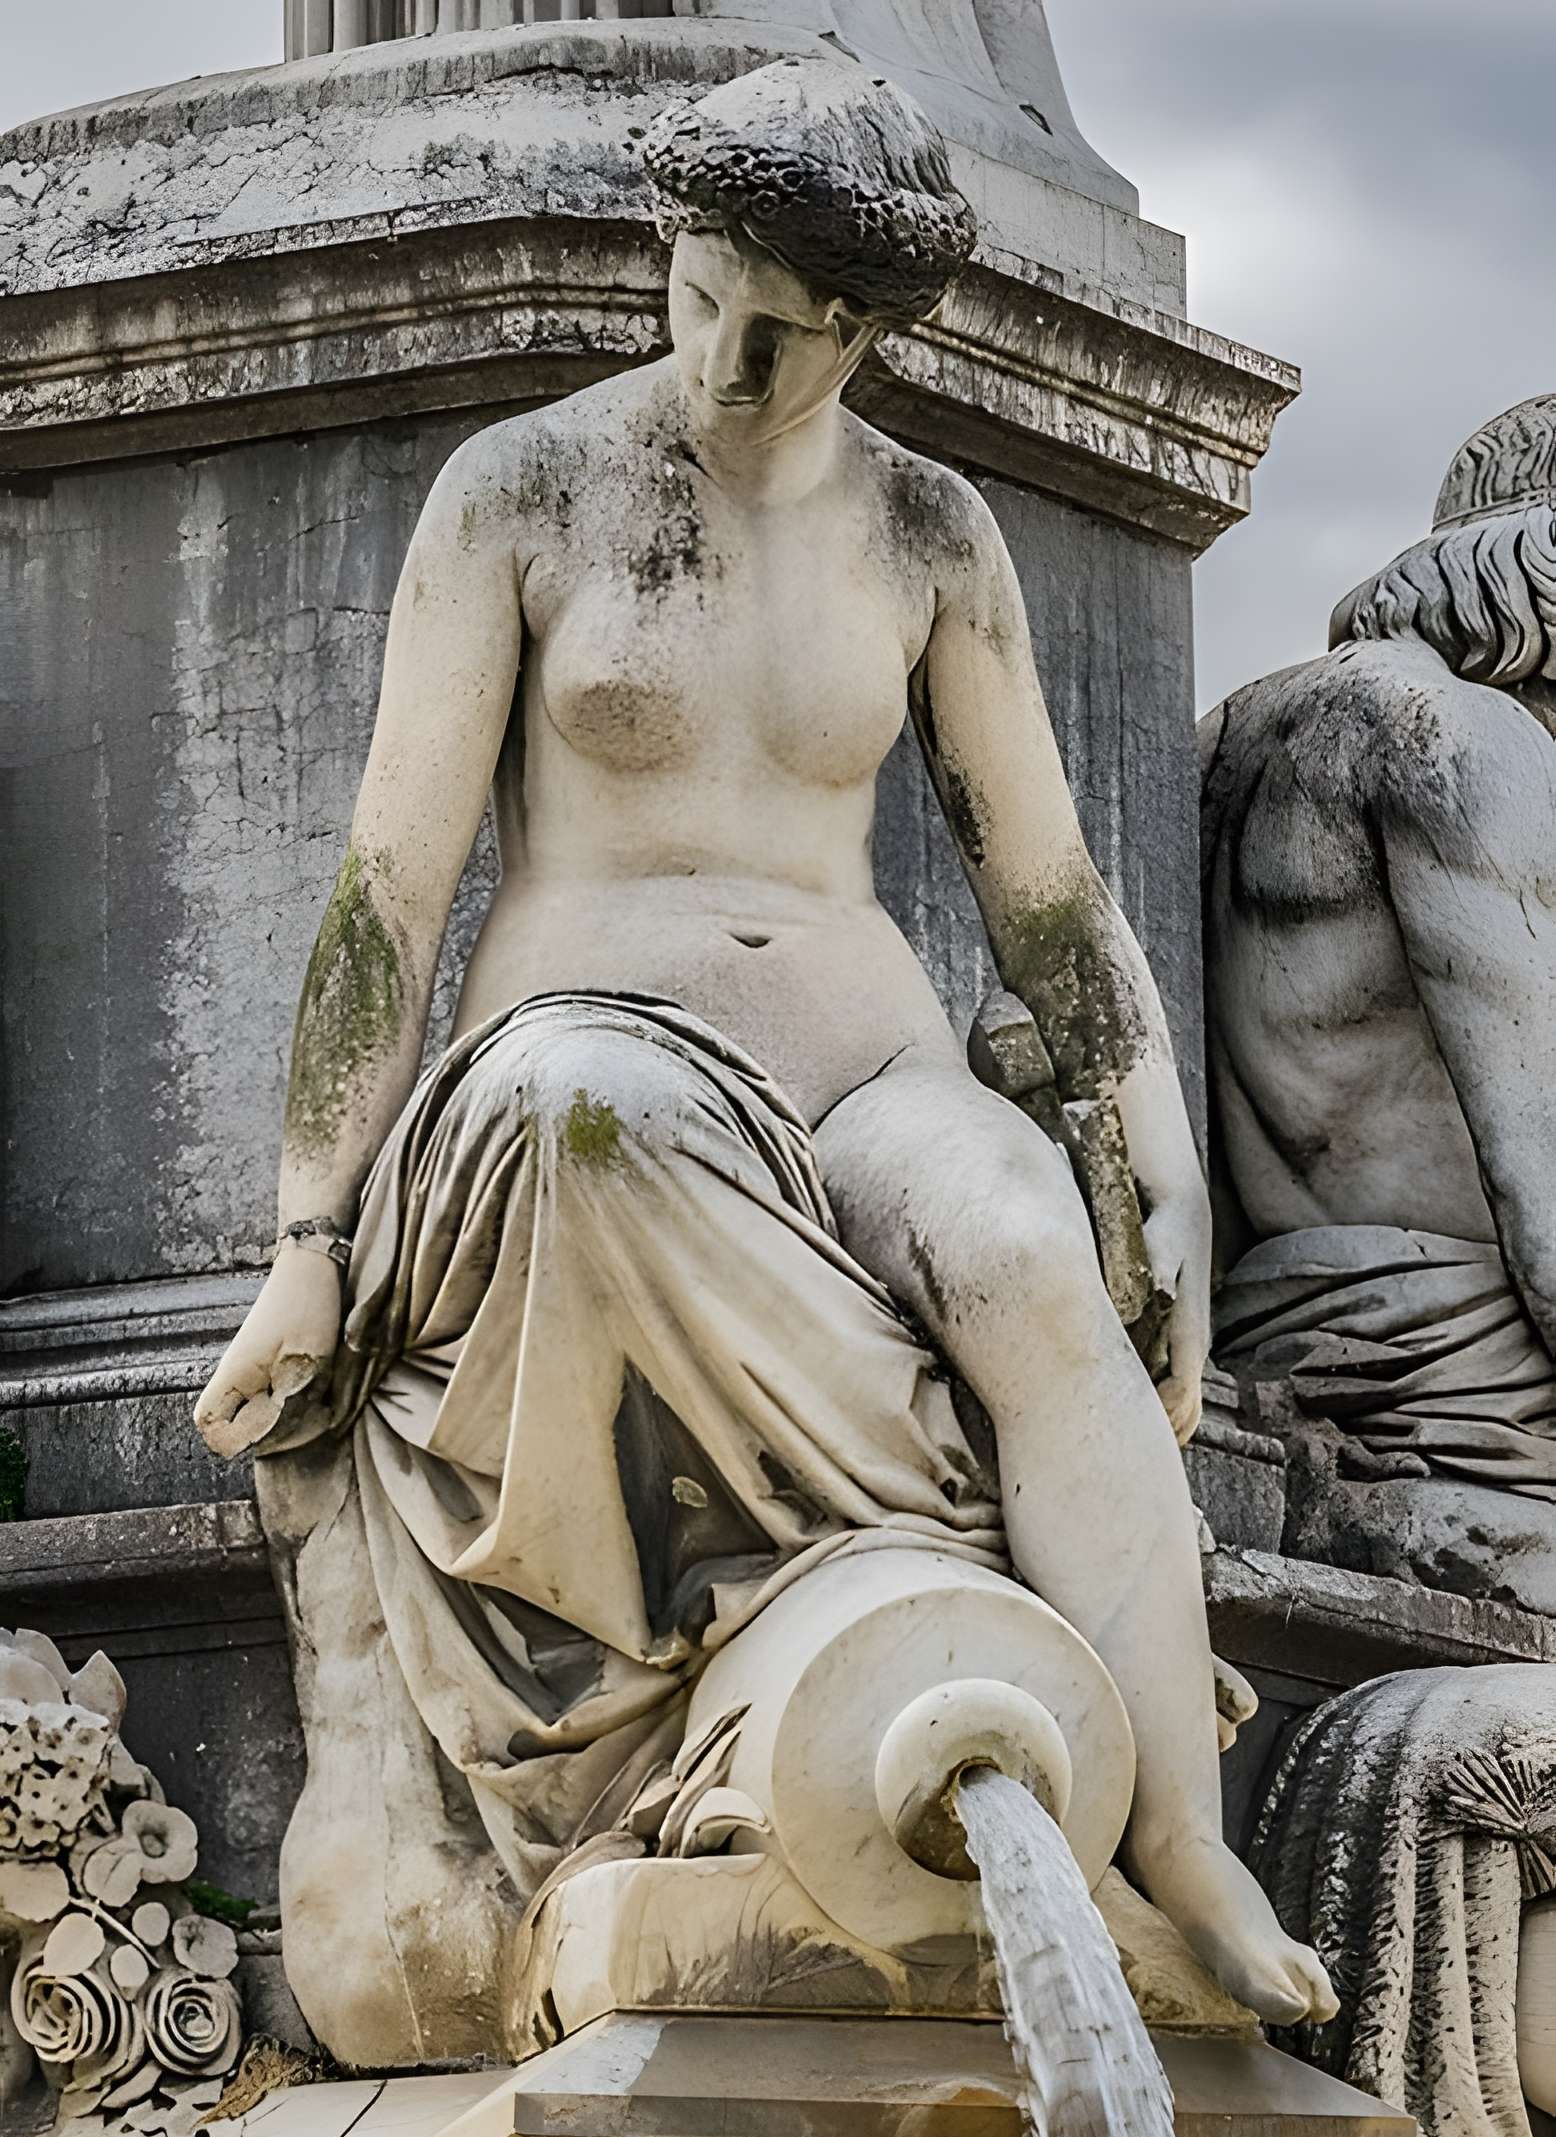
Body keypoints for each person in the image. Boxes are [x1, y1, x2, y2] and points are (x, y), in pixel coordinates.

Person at [196, 57, 1333, 2032]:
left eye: (786, 334)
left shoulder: (929, 532)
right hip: (588, 1051)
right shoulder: (528, 491)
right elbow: (387, 890)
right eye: (703, 291)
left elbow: (1049, 898)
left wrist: (1155, 1171)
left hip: (863, 1072)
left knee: (1025, 1252)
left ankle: (1184, 1841)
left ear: (872, 332)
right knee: (585, 1113)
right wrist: (309, 1239)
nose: (726, 352)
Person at [1203, 397, 1556, 1603]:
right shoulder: (1467, 745)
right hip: (1473, 1400)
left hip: (1273, 1340)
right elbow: (1544, 1191)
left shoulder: (1223, 734)